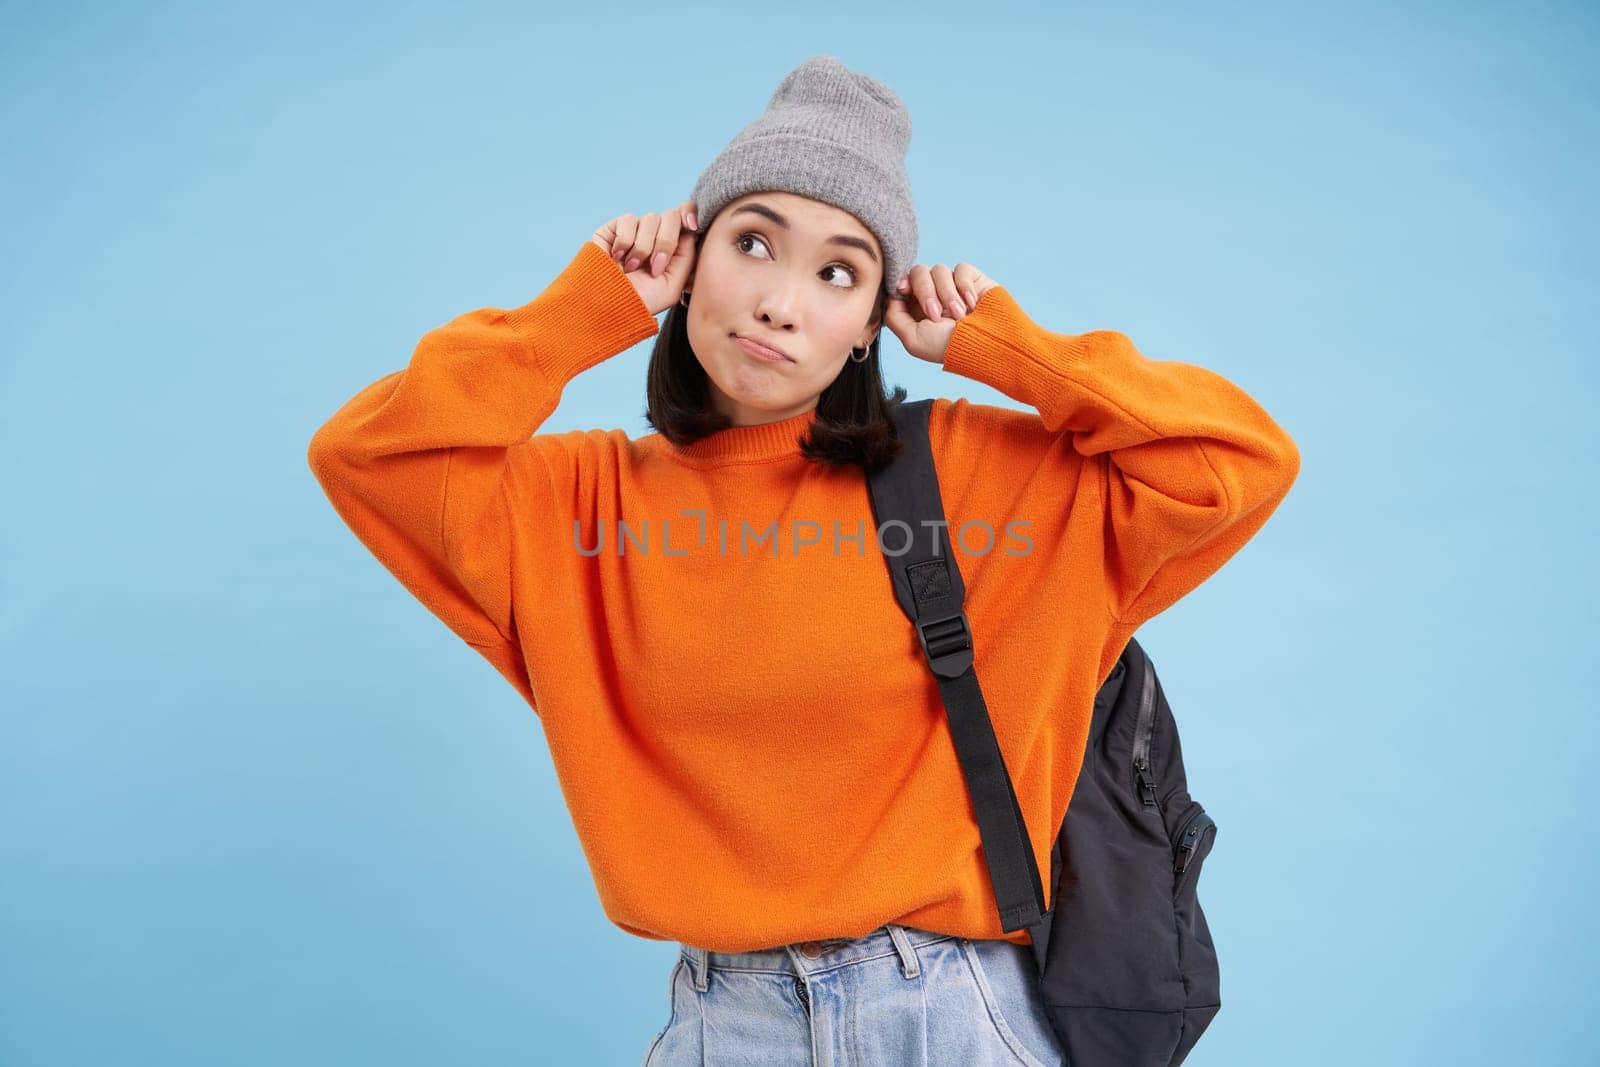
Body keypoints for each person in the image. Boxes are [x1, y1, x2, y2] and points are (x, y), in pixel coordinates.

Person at [307, 54, 1300, 1066]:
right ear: (690, 263)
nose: (782, 301)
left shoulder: (972, 477)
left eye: (838, 270)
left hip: (946, 1014)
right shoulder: (579, 508)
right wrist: (582, 309)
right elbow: (368, 453)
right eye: (751, 242)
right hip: (723, 1020)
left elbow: (1237, 460)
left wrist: (1009, 346)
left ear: (870, 325)